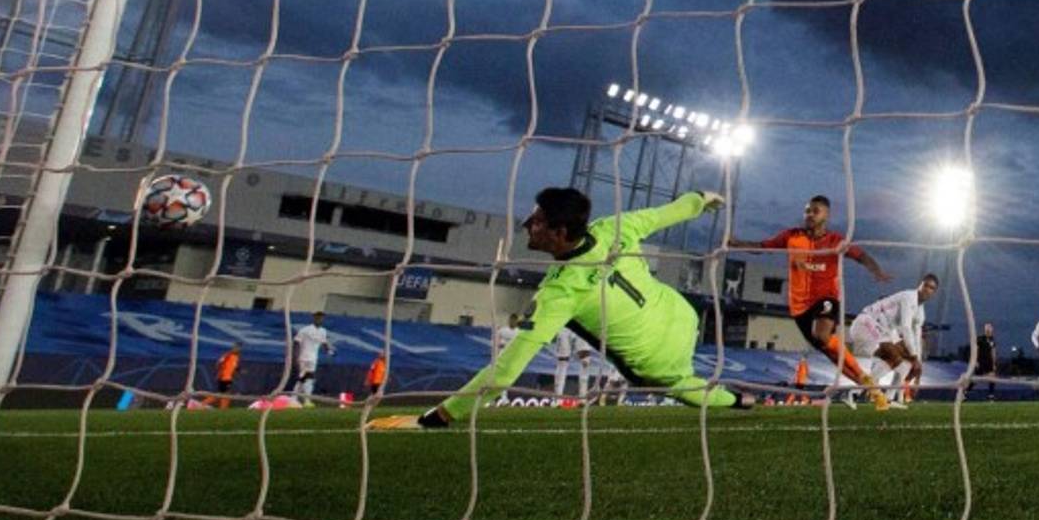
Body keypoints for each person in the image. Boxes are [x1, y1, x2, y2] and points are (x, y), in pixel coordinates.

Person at [368, 188, 753, 429]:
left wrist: (434, 418)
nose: (527, 225)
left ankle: (741, 400)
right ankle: (742, 398)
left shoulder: (559, 292)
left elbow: (506, 371)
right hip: (683, 314)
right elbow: (671, 211)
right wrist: (702, 199)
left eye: (537, 222)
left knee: (684, 388)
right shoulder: (613, 228)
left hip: (659, 360)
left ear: (560, 233)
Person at [728, 195, 892, 409]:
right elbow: (763, 247)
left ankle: (864, 379)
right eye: (807, 211)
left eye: (815, 211)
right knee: (828, 350)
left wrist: (877, 271)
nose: (810, 215)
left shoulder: (836, 241)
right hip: (799, 307)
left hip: (826, 298)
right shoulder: (791, 236)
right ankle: (869, 385)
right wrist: (737, 243)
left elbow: (861, 256)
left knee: (822, 335)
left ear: (826, 215)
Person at [849, 274, 939, 410]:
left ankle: (882, 398)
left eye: (931, 288)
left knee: (905, 365)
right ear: (920, 285)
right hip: (866, 324)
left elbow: (916, 336)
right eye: (925, 285)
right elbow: (906, 327)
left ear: (934, 292)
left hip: (883, 331)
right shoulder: (908, 297)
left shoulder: (920, 312)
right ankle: (854, 393)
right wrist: (914, 356)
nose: (927, 289)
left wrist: (918, 361)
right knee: (895, 356)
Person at [293, 311, 334, 407]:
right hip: (304, 357)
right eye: (318, 317)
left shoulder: (323, 331)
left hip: (313, 358)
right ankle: (298, 398)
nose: (320, 319)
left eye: (322, 318)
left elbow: (324, 342)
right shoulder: (305, 330)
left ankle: (302, 399)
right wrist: (296, 356)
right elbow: (296, 342)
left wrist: (329, 350)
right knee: (305, 377)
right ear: (314, 318)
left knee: (307, 378)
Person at [553, 327, 592, 400]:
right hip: (564, 328)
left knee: (585, 362)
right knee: (562, 362)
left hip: (581, 326)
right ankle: (557, 398)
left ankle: (582, 397)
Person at [203, 342, 242, 409]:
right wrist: (221, 371)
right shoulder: (228, 355)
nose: (237, 349)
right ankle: (202, 404)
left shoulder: (236, 357)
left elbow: (233, 366)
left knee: (223, 394)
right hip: (224, 377)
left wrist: (239, 370)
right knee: (223, 394)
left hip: (228, 378)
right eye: (236, 347)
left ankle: (222, 408)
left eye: (239, 348)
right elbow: (219, 363)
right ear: (233, 348)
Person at [974, 322, 998, 400]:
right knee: (975, 379)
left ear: (992, 329)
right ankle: (965, 392)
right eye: (987, 327)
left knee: (992, 377)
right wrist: (976, 361)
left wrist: (994, 363)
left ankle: (991, 395)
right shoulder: (980, 338)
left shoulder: (992, 340)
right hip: (981, 361)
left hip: (989, 362)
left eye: (989, 327)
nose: (988, 329)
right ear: (984, 329)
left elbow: (993, 352)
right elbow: (976, 350)